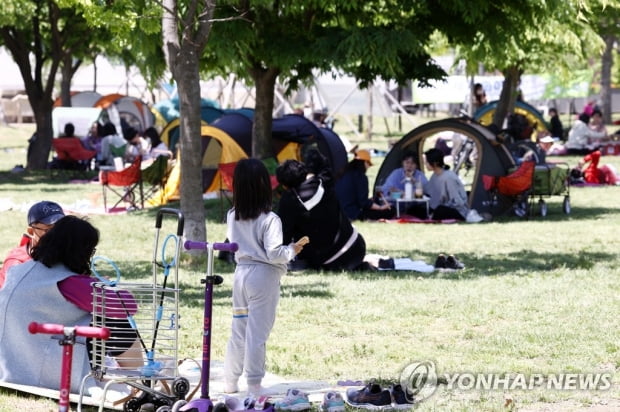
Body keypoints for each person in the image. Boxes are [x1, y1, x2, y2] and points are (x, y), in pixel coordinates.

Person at [0, 216, 141, 393]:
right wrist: (101, 284)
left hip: (11, 364)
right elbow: (126, 306)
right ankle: (140, 378)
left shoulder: (20, 269)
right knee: (113, 322)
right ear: (79, 251)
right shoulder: (68, 282)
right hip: (43, 368)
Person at [223, 158, 305, 396]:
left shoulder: (231, 215)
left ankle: (230, 381)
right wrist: (293, 250)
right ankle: (255, 385)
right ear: (263, 186)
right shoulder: (271, 219)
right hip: (264, 277)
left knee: (239, 331)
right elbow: (274, 254)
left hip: (240, 275)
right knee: (257, 334)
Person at [276, 151, 367, 271]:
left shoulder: (290, 201)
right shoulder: (324, 182)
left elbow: (283, 236)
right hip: (356, 248)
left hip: (328, 261)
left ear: (285, 185)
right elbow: (319, 159)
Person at [0, 200, 65, 288]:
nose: (57, 234)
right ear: (31, 231)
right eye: (48, 230)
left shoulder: (66, 251)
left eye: (61, 228)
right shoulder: (18, 263)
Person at [424, 148, 482, 222]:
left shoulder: (448, 177)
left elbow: (457, 201)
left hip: (457, 211)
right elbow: (429, 192)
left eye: (426, 162)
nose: (425, 164)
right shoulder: (435, 176)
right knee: (417, 209)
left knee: (440, 210)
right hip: (439, 207)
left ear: (435, 163)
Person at [335, 150, 395, 221]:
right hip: (353, 213)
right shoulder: (361, 177)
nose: (368, 167)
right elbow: (363, 202)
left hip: (338, 211)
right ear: (365, 162)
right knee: (391, 210)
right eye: (369, 164)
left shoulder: (342, 174)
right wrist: (380, 207)